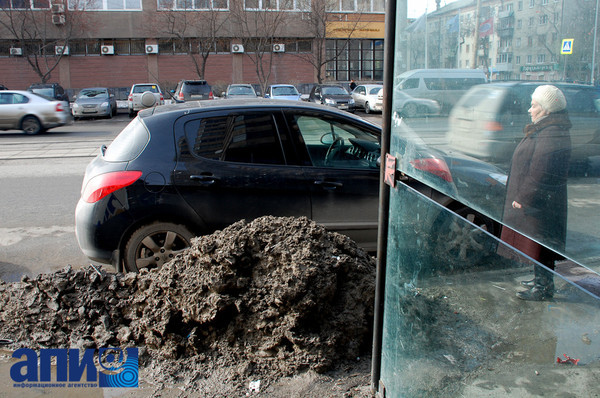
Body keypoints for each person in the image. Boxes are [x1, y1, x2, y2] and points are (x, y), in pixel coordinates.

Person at [500, 85, 572, 301]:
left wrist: (524, 197)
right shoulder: (546, 128)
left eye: (534, 106)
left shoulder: (551, 133)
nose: (530, 110)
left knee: (540, 242)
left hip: (539, 204)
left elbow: (542, 171)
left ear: (547, 110)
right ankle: (540, 280)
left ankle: (543, 288)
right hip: (540, 202)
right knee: (538, 242)